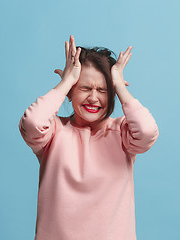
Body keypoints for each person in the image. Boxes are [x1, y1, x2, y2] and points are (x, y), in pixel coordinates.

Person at [19, 35, 159, 240]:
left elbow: (147, 131)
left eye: (102, 90)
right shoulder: (54, 132)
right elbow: (32, 123)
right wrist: (65, 82)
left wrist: (119, 87)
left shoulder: (121, 132)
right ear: (70, 92)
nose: (94, 98)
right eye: (85, 88)